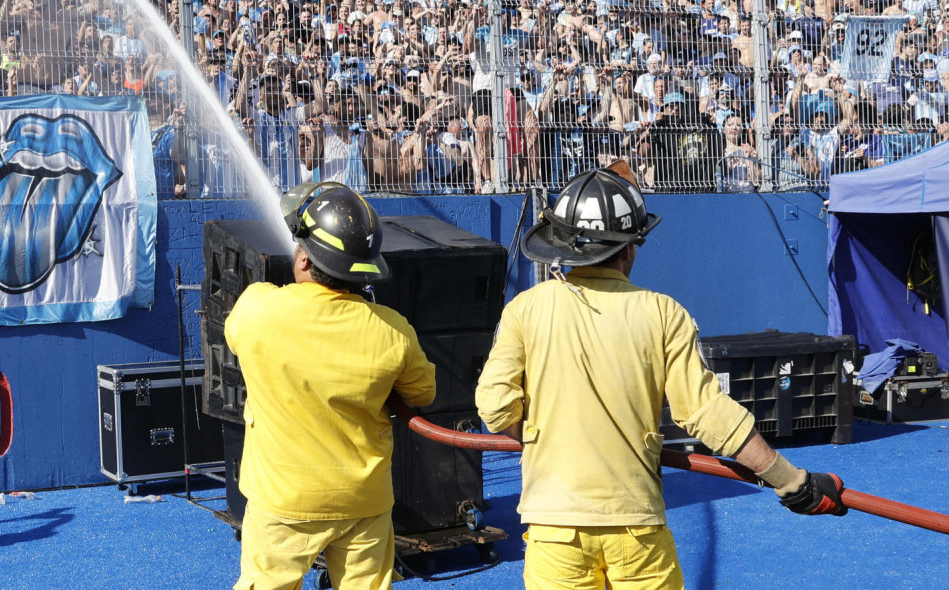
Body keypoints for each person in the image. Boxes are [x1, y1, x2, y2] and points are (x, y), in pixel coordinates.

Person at [475, 167, 846, 590]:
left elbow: (495, 407)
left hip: (553, 527)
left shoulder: (526, 309)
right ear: (630, 248)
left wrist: (551, 442)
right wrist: (792, 482)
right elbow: (708, 415)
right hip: (636, 525)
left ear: (563, 245)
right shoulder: (663, 313)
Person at [225, 182, 436, 590]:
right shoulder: (393, 332)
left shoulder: (257, 309)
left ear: (303, 260)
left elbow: (235, 337)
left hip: (283, 500)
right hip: (364, 501)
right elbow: (422, 392)